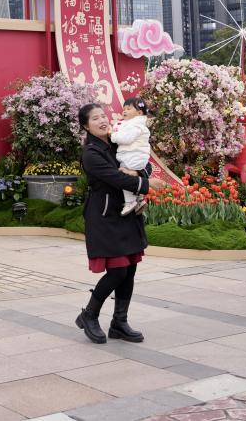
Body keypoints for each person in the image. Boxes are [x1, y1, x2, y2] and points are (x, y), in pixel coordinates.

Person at [76, 102, 150, 344]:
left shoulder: (117, 141)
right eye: (95, 118)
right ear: (86, 126)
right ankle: (89, 314)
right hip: (105, 216)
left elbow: (142, 161)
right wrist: (145, 185)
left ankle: (119, 322)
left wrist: (140, 174)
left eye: (103, 115)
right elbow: (115, 177)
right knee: (117, 270)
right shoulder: (91, 153)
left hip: (127, 213)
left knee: (129, 269)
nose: (102, 120)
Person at [112, 97, 151, 216]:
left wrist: (113, 136)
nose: (125, 111)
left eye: (128, 109)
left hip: (133, 157)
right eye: (124, 109)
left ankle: (130, 202)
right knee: (132, 178)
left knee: (125, 176)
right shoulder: (132, 124)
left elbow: (126, 139)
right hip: (135, 156)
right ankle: (139, 200)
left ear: (139, 113)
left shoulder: (136, 126)